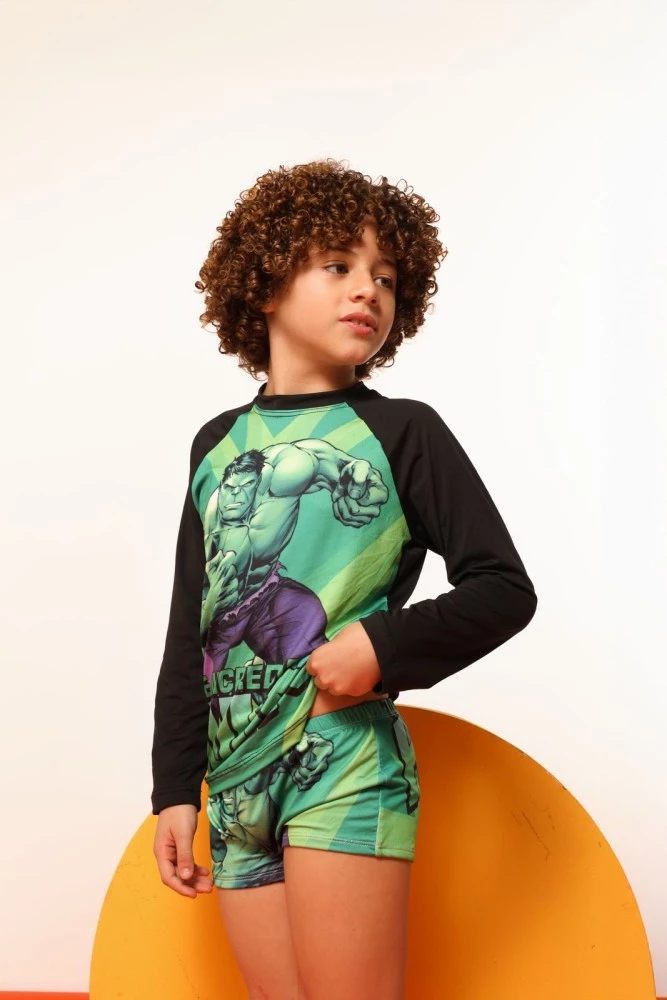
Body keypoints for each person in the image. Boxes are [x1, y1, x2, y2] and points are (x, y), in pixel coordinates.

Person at [151, 158, 538, 1000]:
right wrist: (174, 787)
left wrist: (379, 645)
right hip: (235, 780)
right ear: (264, 285)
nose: (368, 290)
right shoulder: (215, 446)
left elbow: (502, 588)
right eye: (337, 265)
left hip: (340, 762)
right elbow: (192, 627)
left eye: (386, 277)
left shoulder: (401, 433)